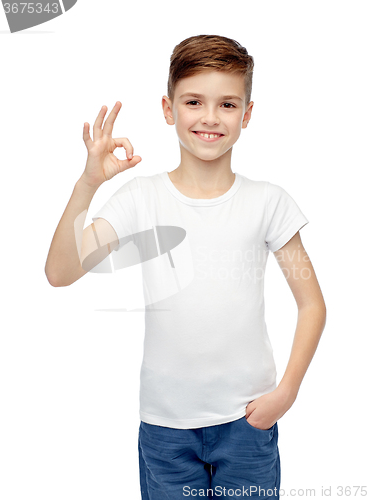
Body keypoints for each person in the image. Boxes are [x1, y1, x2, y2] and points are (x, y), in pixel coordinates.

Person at [45, 34, 327, 499]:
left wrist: (287, 392)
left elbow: (311, 304)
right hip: (166, 428)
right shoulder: (141, 198)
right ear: (168, 108)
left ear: (248, 113)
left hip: (248, 421)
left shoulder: (268, 203)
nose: (210, 118)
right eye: (194, 101)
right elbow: (60, 272)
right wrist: (88, 182)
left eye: (228, 104)